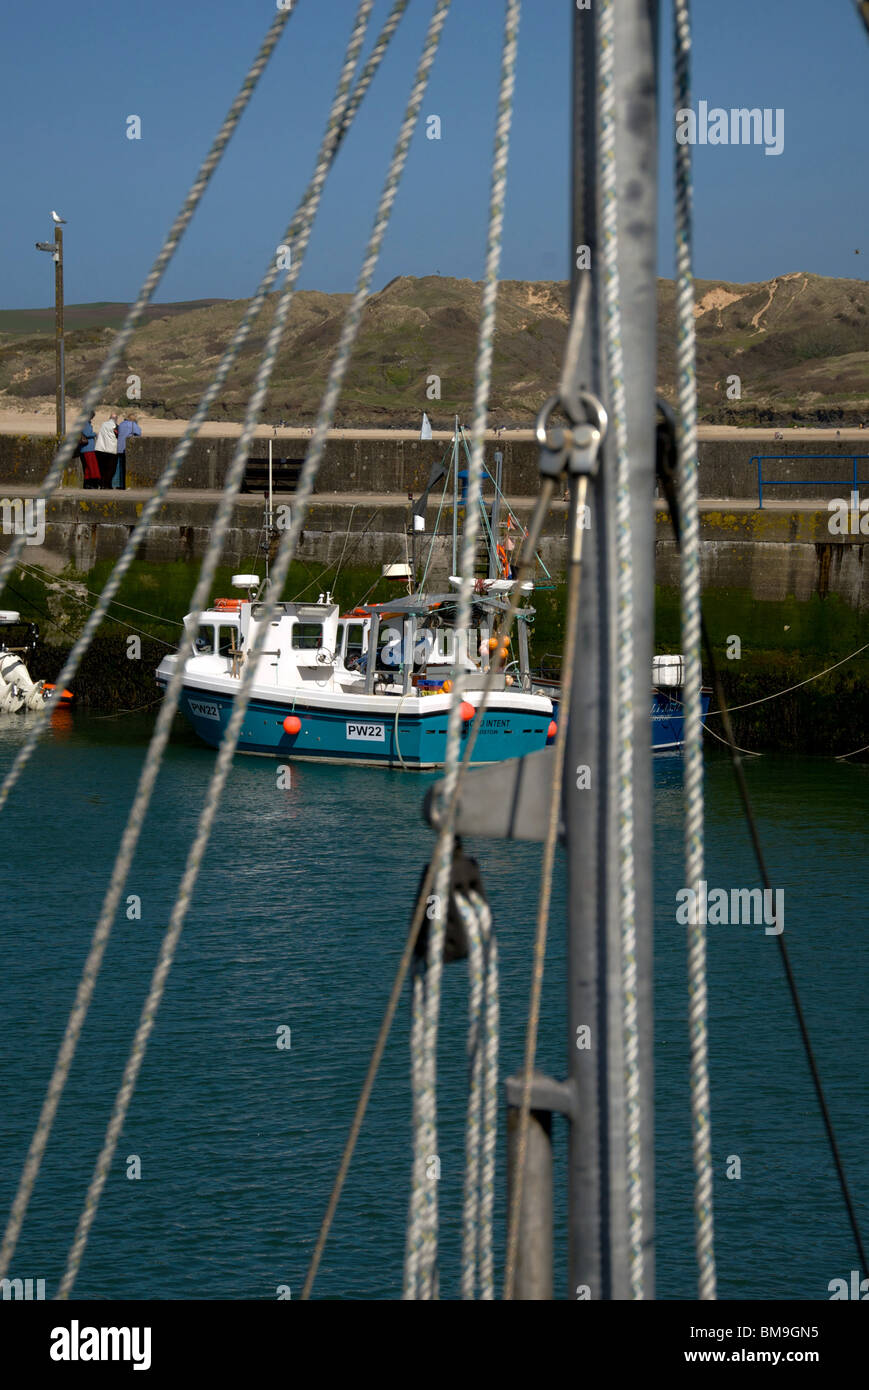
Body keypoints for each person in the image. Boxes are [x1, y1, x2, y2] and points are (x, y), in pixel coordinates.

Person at [113, 411, 142, 490]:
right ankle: (125, 484)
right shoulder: (132, 424)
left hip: (119, 447)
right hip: (126, 448)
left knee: (119, 467)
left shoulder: (121, 424)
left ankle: (117, 484)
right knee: (126, 467)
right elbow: (139, 433)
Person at [95, 412, 119, 489]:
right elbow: (117, 435)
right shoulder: (115, 426)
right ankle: (107, 485)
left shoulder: (103, 424)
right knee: (111, 469)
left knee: (102, 468)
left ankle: (101, 484)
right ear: (116, 419)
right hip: (111, 450)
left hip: (100, 449)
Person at [79, 411, 100, 489]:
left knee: (88, 467)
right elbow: (88, 433)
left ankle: (88, 484)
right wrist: (95, 434)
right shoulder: (86, 423)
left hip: (85, 449)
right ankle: (93, 484)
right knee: (92, 467)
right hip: (88, 448)